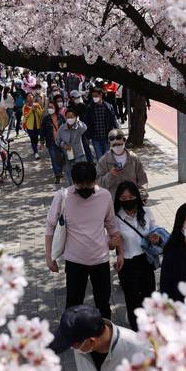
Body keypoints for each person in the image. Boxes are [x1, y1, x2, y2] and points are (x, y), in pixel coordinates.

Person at [45, 162, 122, 319]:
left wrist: (120, 252)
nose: (85, 188)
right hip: (75, 262)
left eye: (89, 184)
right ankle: (72, 337)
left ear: (95, 180)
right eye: (81, 185)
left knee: (103, 303)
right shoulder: (63, 197)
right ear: (74, 182)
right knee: (73, 304)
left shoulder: (105, 196)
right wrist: (49, 257)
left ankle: (105, 336)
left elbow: (112, 227)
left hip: (100, 260)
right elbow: (50, 227)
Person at [49, 304, 151, 371]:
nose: (72, 349)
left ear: (92, 341)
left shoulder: (139, 349)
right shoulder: (82, 343)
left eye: (73, 345)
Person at [113, 181, 159, 331]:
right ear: (119, 199)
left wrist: (156, 237)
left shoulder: (146, 212)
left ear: (137, 197)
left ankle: (151, 326)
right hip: (127, 263)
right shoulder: (115, 218)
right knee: (132, 299)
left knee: (149, 295)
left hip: (146, 260)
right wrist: (112, 243)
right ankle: (136, 330)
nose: (128, 201)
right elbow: (110, 243)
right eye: (124, 198)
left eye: (131, 197)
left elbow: (155, 230)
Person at [96, 129, 148, 200]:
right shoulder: (103, 161)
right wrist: (110, 175)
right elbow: (99, 183)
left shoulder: (133, 158)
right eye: (114, 145)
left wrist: (142, 196)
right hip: (114, 202)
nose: (117, 147)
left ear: (124, 141)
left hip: (132, 200)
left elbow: (142, 179)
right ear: (109, 143)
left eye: (119, 144)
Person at [82, 86, 118, 160]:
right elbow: (86, 122)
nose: (94, 98)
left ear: (101, 95)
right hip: (96, 138)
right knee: (100, 158)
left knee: (108, 158)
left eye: (96, 96)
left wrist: (117, 132)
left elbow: (114, 120)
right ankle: (102, 171)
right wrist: (88, 134)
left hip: (107, 137)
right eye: (93, 96)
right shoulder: (90, 108)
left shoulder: (108, 107)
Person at [57, 108, 88, 186]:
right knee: (70, 174)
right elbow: (57, 141)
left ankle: (82, 188)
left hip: (79, 154)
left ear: (75, 117)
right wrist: (64, 145)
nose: (70, 119)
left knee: (81, 173)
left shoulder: (79, 127)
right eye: (68, 117)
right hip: (67, 155)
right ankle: (72, 189)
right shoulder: (62, 128)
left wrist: (78, 121)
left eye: (72, 117)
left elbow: (84, 128)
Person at [41, 99, 66, 184]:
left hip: (61, 142)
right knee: (54, 158)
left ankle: (60, 170)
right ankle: (57, 175)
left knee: (62, 157)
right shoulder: (45, 119)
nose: (50, 109)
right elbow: (42, 131)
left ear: (55, 107)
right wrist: (41, 141)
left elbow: (66, 128)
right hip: (51, 142)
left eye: (51, 107)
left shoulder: (61, 117)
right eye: (49, 107)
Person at [22, 93, 43, 160]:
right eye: (28, 96)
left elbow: (41, 114)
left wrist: (36, 109)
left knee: (36, 138)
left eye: (31, 96)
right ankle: (36, 152)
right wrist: (31, 109)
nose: (30, 97)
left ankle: (35, 149)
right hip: (29, 126)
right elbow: (26, 116)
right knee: (33, 139)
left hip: (37, 125)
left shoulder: (37, 105)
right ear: (27, 98)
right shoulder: (25, 107)